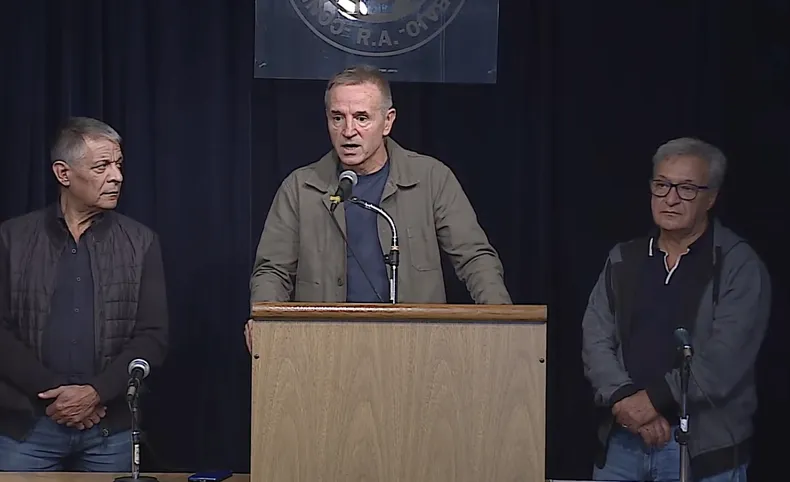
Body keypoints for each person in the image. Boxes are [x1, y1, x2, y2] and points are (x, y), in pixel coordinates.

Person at [245, 64, 511, 349]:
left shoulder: (431, 179)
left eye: (361, 118)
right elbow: (273, 271)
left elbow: (474, 259)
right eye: (338, 118)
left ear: (387, 122)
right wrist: (265, 321)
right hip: (325, 349)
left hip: (416, 348)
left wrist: (504, 321)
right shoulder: (301, 188)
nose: (348, 131)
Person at [581, 137, 771, 481]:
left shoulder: (738, 264)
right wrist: (626, 401)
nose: (670, 199)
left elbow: (724, 361)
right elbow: (595, 338)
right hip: (623, 443)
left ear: (711, 197)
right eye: (662, 185)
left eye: (686, 188)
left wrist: (651, 401)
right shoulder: (623, 258)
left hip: (703, 454)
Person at [0, 117, 169, 471]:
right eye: (101, 166)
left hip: (109, 429)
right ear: (64, 173)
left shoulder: (141, 242)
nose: (116, 176)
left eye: (118, 164)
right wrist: (56, 395)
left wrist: (96, 393)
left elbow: (152, 336)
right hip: (28, 428)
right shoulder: (12, 239)